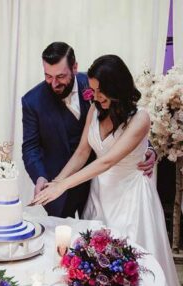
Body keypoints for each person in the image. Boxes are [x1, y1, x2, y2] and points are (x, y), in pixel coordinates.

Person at [32, 54, 183, 286]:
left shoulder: (141, 118)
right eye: (92, 90)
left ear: (117, 88)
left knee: (132, 273)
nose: (95, 96)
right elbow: (81, 153)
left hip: (131, 199)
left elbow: (109, 160)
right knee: (97, 266)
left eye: (101, 91)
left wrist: (64, 186)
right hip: (99, 195)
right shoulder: (94, 108)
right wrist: (56, 183)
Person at [22, 42, 155, 218]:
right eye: (48, 76)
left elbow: (128, 134)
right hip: (77, 189)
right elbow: (79, 151)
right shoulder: (33, 101)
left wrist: (148, 148)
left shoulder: (93, 82)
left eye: (61, 76)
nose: (54, 83)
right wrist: (53, 182)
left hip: (116, 190)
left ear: (74, 68)